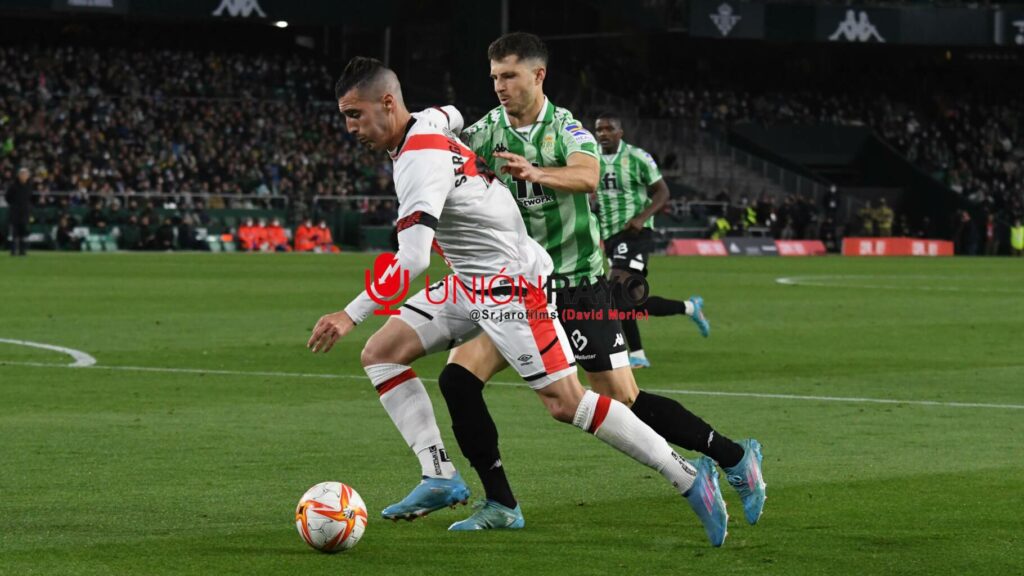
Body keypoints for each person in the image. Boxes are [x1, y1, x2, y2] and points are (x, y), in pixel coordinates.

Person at [308, 56, 728, 546]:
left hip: (512, 288)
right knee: (381, 354)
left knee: (565, 402)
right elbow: (454, 114)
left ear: (387, 103)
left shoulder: (419, 161)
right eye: (344, 115)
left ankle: (690, 479)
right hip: (470, 283)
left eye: (355, 114)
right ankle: (440, 475)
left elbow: (414, 259)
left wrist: (349, 313)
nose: (349, 127)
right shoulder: (426, 121)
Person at [439, 33, 764, 537]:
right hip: (520, 292)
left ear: (538, 75)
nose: (500, 86)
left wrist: (535, 172)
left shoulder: (566, 128)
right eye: (495, 78)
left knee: (623, 399)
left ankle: (735, 458)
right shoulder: (485, 132)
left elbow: (588, 175)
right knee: (459, 378)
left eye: (510, 76)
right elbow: (446, 165)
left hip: (578, 288)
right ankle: (501, 503)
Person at [593, 111, 710, 369]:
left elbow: (663, 192)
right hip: (611, 235)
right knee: (633, 302)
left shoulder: (637, 157)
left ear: (620, 132)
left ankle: (634, 355)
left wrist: (641, 218)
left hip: (636, 234)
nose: (602, 134)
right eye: (599, 129)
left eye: (608, 129)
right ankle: (689, 308)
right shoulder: (593, 159)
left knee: (615, 292)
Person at [6, 166, 32, 256]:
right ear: (18, 175)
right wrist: (14, 205)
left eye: (25, 174)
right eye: (22, 174)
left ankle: (22, 251)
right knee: (14, 233)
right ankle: (13, 251)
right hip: (15, 212)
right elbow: (8, 197)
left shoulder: (29, 186)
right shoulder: (13, 186)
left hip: (25, 212)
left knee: (23, 232)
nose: (24, 176)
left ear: (28, 176)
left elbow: (31, 198)